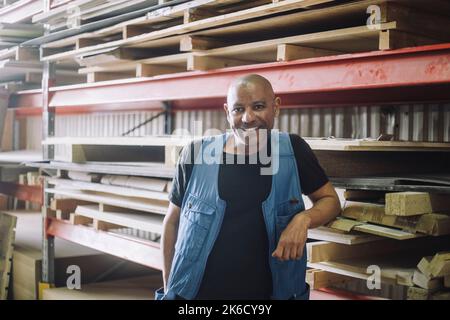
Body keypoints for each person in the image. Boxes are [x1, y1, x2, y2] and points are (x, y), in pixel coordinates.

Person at [156, 74, 341, 300]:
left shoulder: (293, 151)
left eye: (259, 106)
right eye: (238, 109)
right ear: (227, 112)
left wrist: (303, 219)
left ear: (276, 106)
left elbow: (330, 201)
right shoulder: (196, 154)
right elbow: (172, 221)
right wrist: (168, 290)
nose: (248, 118)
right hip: (198, 296)